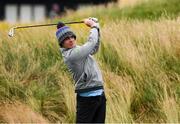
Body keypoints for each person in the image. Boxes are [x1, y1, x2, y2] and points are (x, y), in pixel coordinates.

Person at [56, 17, 106, 123]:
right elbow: (91, 43)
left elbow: (94, 48)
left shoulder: (78, 50)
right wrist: (93, 26)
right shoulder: (71, 55)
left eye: (72, 37)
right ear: (61, 43)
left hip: (100, 95)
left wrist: (96, 27)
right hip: (87, 99)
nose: (70, 39)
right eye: (66, 39)